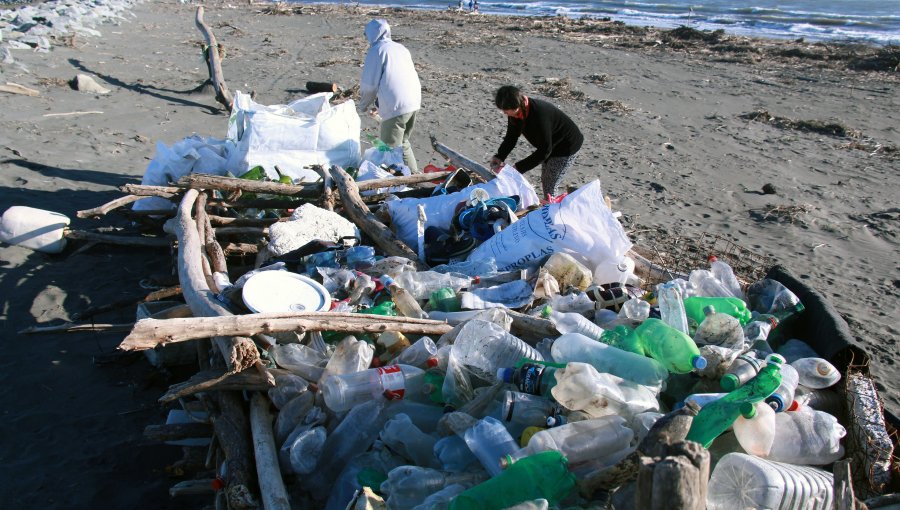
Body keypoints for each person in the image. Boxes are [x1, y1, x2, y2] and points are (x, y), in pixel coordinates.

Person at [490, 85, 583, 198]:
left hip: (566, 146)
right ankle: (571, 196)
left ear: (515, 106)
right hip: (550, 144)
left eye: (505, 110)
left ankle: (553, 210)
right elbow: (512, 136)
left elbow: (544, 151)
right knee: (546, 179)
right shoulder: (516, 112)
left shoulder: (539, 114)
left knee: (549, 184)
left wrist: (518, 168)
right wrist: (500, 156)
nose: (504, 113)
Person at [358, 19, 422, 173]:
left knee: (389, 150)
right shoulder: (400, 48)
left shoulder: (377, 50)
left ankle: (397, 184)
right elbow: (394, 79)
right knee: (403, 142)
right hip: (413, 101)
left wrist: (363, 105)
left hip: (397, 105)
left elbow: (369, 84)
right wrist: (379, 105)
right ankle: (415, 175)